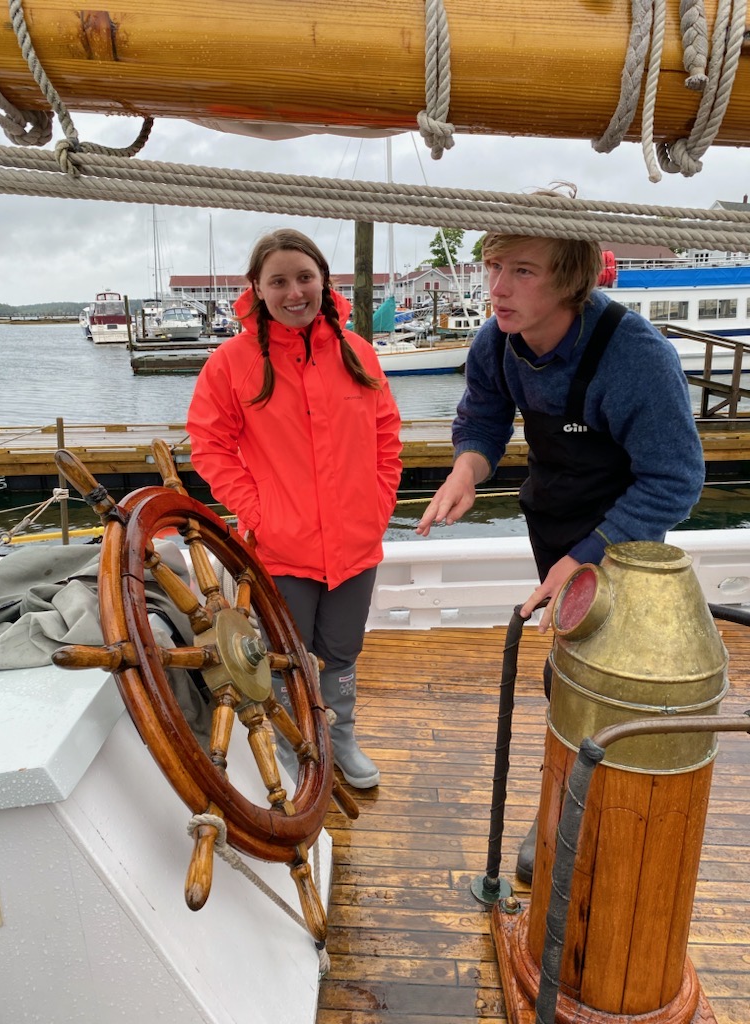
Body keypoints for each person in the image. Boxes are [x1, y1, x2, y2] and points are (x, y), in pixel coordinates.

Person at [416, 212, 705, 880]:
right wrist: (467, 468)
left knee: (607, 686)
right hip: (552, 523)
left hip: (625, 541)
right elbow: (484, 418)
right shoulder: (497, 343)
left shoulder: (637, 359)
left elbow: (676, 480)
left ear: (571, 280)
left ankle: (602, 827)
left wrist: (590, 557)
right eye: (493, 266)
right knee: (569, 676)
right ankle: (560, 820)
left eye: (522, 271)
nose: (498, 287)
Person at [187, 228, 402, 789]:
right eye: (278, 280)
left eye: (304, 277)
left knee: (342, 650)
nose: (294, 292)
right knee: (285, 654)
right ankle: (293, 744)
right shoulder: (231, 362)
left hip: (356, 542)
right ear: (256, 289)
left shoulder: (358, 353)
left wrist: (378, 504)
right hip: (282, 547)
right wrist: (257, 512)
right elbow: (209, 445)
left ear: (324, 281)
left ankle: (342, 737)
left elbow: (386, 435)